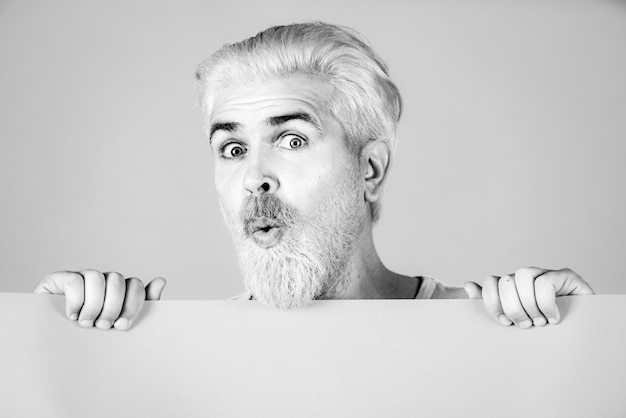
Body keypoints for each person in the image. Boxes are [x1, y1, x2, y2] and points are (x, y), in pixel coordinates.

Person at [33, 22, 594, 330]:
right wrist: (49, 345)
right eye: (231, 148)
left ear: (369, 169)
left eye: (293, 140)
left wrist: (583, 345)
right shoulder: (164, 353)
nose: (255, 177)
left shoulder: (492, 332)